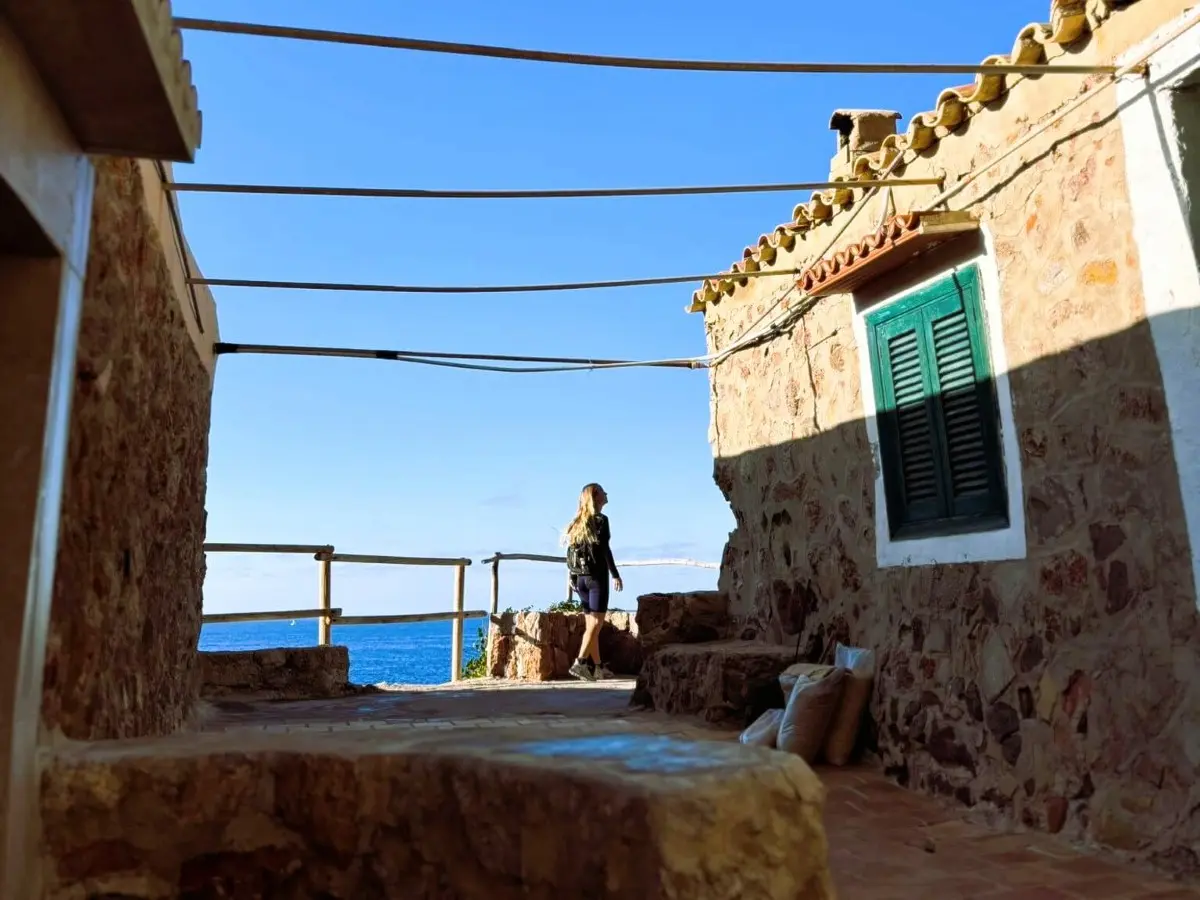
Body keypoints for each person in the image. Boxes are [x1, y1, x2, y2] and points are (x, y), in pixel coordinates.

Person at [562, 483, 622, 680]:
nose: (606, 493)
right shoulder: (601, 521)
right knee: (596, 624)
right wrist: (615, 574)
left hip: (580, 580)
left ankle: (597, 667)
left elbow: (571, 553)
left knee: (591, 626)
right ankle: (580, 663)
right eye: (603, 491)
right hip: (596, 579)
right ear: (596, 497)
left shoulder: (577, 522)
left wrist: (572, 576)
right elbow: (605, 550)